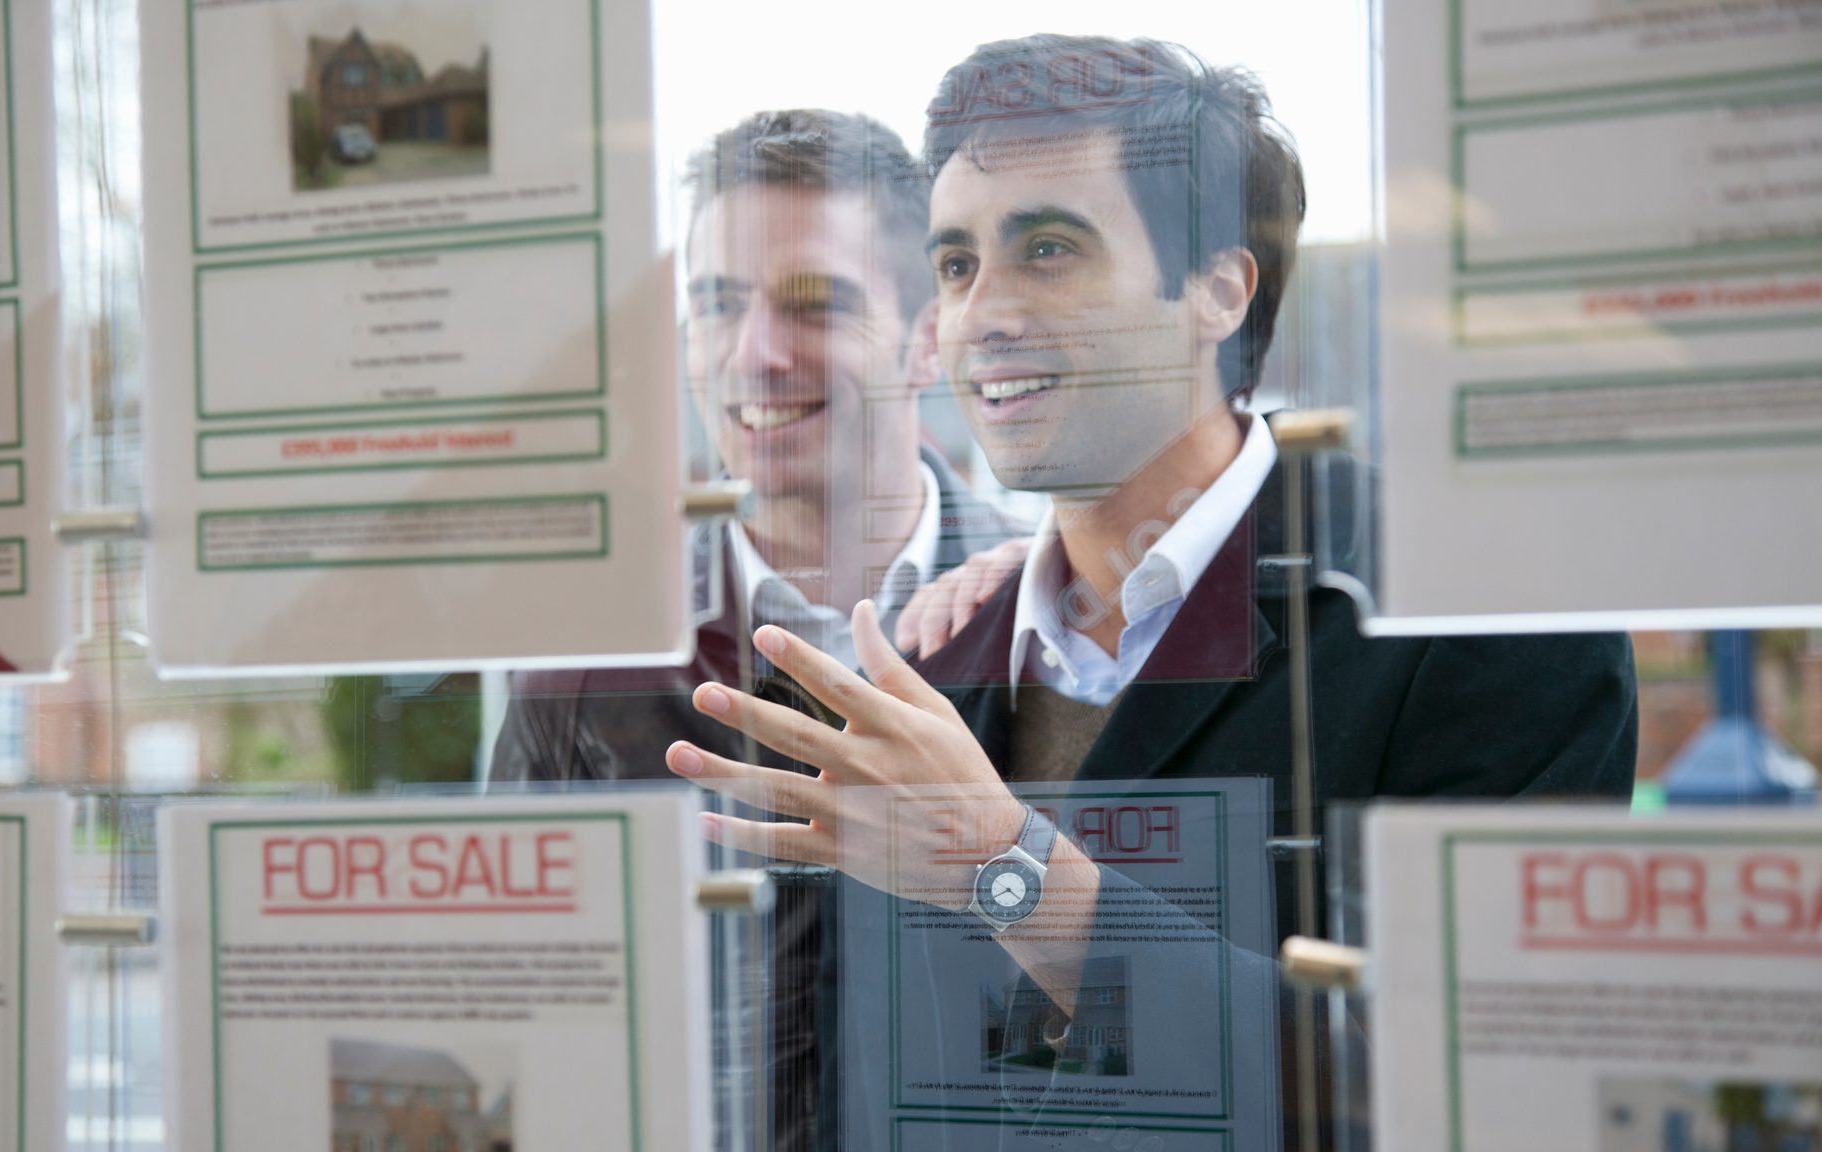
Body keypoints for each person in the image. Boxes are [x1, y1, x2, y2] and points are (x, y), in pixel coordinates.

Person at [662, 35, 1636, 1148]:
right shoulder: (932, 656)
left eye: (1047, 249)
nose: (980, 313)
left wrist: (1007, 871)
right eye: (957, 264)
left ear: (1219, 287)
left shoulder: (1471, 612)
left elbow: (1480, 1093)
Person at [490, 108, 1017, 1151]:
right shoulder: (589, 659)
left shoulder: (1050, 619)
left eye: (813, 303)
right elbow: (527, 1031)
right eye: (718, 304)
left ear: (925, 339)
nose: (752, 353)